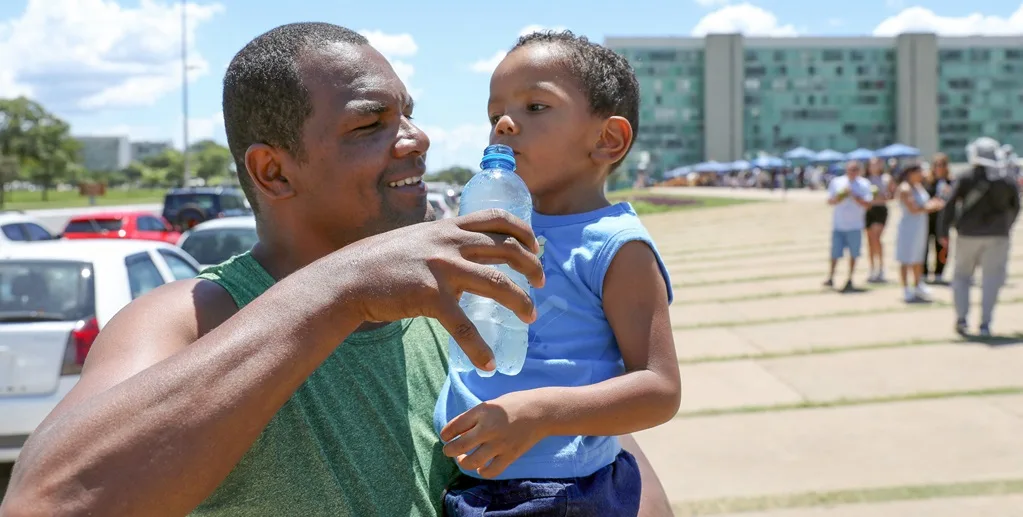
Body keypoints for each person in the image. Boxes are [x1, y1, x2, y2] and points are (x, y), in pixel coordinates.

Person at [0, 23, 674, 517]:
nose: (417, 137)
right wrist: (345, 290)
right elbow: (49, 501)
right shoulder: (190, 316)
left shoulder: (456, 299)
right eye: (369, 124)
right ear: (273, 169)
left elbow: (608, 466)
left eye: (406, 113)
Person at [435, 31, 681, 516]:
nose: (504, 124)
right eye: (494, 114)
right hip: (475, 479)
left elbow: (659, 389)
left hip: (561, 491)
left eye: (536, 107)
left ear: (607, 139)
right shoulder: (495, 225)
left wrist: (541, 414)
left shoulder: (616, 244)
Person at [937, 137, 1021, 337]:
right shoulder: (1006, 178)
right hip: (998, 236)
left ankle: (962, 319)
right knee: (992, 279)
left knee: (962, 277)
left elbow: (949, 205)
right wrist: (1006, 226)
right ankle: (985, 323)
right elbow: (1016, 206)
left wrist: (943, 232)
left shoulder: (966, 176)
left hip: (968, 235)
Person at [894, 164, 945, 302]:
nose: (922, 174)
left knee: (918, 257)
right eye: (919, 172)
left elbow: (925, 203)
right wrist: (932, 206)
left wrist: (934, 202)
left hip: (920, 226)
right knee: (906, 258)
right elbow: (914, 208)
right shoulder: (905, 188)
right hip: (908, 227)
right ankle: (906, 288)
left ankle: (917, 285)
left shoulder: (918, 186)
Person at [824, 160, 874, 292]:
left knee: (854, 254)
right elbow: (830, 201)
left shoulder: (864, 184)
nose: (852, 172)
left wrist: (853, 195)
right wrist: (841, 196)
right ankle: (831, 276)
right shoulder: (837, 182)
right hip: (839, 225)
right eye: (850, 169)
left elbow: (868, 204)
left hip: (855, 225)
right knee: (834, 253)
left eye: (855, 169)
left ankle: (850, 278)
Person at [923, 153, 952, 283]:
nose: (939, 167)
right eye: (937, 165)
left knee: (943, 247)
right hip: (928, 218)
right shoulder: (927, 182)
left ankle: (939, 273)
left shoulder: (951, 181)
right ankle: (924, 272)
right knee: (924, 246)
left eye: (942, 165)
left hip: (944, 219)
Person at [863, 157, 893, 283]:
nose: (874, 167)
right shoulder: (865, 180)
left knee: (876, 238)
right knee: (869, 241)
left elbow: (891, 195)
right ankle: (872, 268)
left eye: (877, 164)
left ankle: (881, 268)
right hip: (868, 210)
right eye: (872, 164)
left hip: (880, 209)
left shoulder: (886, 178)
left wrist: (881, 196)